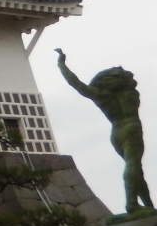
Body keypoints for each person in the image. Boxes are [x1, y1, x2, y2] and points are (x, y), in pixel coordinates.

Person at [57, 49, 152, 213]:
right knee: (133, 165)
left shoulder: (103, 96)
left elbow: (77, 84)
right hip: (131, 128)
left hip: (116, 133)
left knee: (136, 168)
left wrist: (61, 64)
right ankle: (132, 204)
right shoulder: (129, 92)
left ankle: (148, 205)